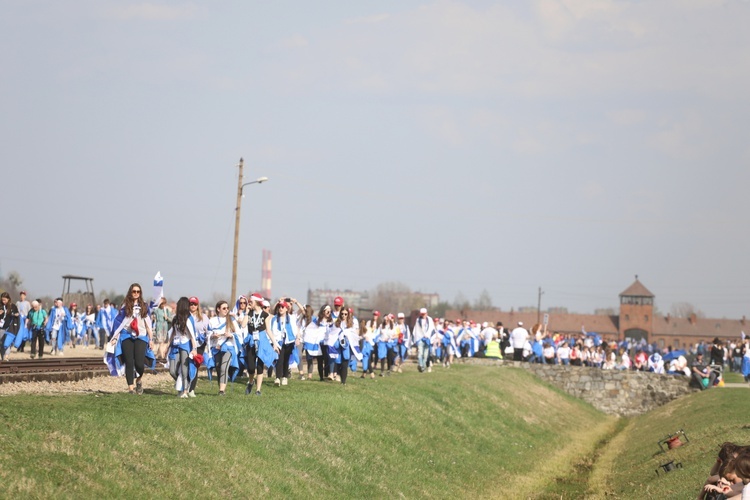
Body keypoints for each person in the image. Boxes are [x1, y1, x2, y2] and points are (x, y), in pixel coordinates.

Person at [109, 283, 156, 394]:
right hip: (126, 335)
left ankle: (139, 380)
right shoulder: (125, 306)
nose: (135, 293)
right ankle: (130, 388)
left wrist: (151, 339)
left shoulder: (144, 306)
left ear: (140, 293)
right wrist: (115, 337)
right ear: (130, 292)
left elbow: (148, 324)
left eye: (138, 291)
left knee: (139, 362)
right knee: (129, 361)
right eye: (134, 291)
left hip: (141, 335)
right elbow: (119, 322)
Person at [245, 293, 278, 396]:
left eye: (251, 301)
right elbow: (242, 325)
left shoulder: (265, 315)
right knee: (250, 367)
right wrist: (246, 313)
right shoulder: (249, 313)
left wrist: (275, 343)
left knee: (260, 366)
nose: (249, 302)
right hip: (251, 340)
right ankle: (251, 382)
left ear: (257, 302)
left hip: (262, 341)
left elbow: (268, 330)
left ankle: (258, 390)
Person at [167, 297, 199, 398]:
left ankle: (185, 391)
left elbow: (192, 336)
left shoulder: (189, 319)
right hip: (175, 346)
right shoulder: (175, 319)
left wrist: (194, 349)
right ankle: (180, 385)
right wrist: (167, 347)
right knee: (172, 370)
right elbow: (172, 333)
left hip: (185, 345)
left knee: (185, 369)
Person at [207, 301, 241, 396]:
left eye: (227, 308)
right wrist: (213, 336)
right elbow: (208, 334)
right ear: (218, 309)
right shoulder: (212, 321)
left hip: (228, 347)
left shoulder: (231, 320)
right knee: (218, 367)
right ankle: (221, 386)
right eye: (224, 308)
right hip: (216, 347)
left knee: (223, 367)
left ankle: (222, 391)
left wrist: (231, 335)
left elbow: (238, 333)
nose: (226, 310)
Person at [269, 297, 304, 387]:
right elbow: (270, 313)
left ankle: (284, 377)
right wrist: (278, 302)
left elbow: (303, 311)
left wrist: (296, 302)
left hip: (289, 342)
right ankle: (277, 378)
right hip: (279, 342)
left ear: (286, 309)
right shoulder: (274, 318)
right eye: (279, 307)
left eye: (283, 307)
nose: (281, 308)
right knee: (279, 360)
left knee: (286, 360)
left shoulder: (292, 318)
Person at [187, 296, 208, 397]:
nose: (193, 306)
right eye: (191, 304)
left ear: (198, 306)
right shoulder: (185, 316)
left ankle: (192, 389)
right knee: (185, 365)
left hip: (199, 345)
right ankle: (185, 386)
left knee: (195, 365)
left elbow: (208, 330)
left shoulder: (203, 317)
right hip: (187, 343)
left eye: (195, 304)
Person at [412, 308, 435, 373]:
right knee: (420, 353)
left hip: (427, 339)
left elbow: (432, 329)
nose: (423, 315)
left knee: (425, 355)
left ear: (426, 313)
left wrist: (429, 336)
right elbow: (416, 329)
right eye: (422, 314)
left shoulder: (430, 320)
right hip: (420, 339)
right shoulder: (418, 320)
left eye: (424, 314)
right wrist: (417, 338)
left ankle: (423, 367)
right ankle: (421, 365)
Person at [0, 292, 21, 361]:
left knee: (7, 342)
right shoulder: (0, 306)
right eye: (2, 300)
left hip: (9, 328)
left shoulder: (13, 306)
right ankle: (3, 357)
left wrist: (15, 314)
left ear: (8, 299)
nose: (3, 302)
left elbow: (17, 314)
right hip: (1, 327)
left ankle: (6, 357)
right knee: (2, 343)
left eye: (5, 300)